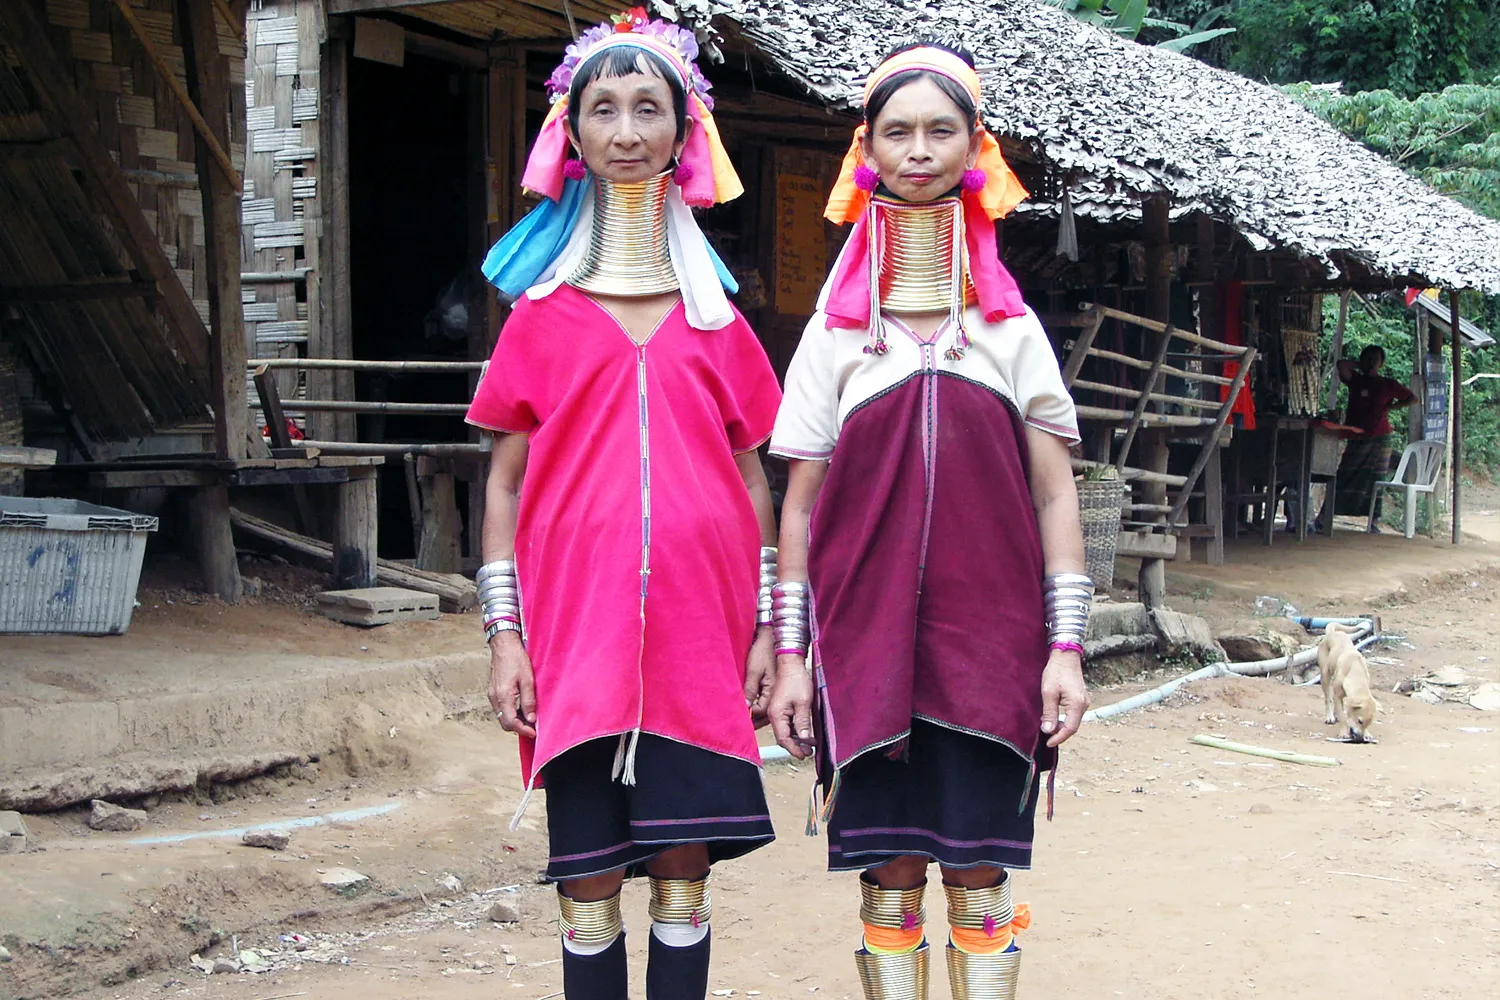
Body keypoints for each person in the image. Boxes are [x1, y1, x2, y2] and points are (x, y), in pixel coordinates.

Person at [464, 10, 782, 1000]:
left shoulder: (715, 319)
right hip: (576, 641)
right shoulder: (542, 316)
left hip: (699, 638)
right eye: (605, 107)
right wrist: (503, 634)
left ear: (685, 135)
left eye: (650, 106)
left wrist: (771, 623)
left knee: (682, 876)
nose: (629, 128)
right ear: (573, 131)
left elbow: (754, 474)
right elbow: (505, 482)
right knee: (588, 878)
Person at [764, 41, 1092, 1000]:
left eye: (940, 130)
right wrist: (792, 656)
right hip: (863, 652)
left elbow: (1054, 493)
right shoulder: (834, 336)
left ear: (973, 148)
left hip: (990, 650)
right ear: (866, 152)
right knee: (890, 880)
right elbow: (801, 504)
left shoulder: (1009, 328)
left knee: (982, 881)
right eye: (897, 132)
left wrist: (1064, 649)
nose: (918, 150)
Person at [1319, 344, 1416, 531]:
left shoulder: (1388, 384)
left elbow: (1412, 398)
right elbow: (1341, 365)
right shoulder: (1356, 380)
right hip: (1357, 435)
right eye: (1368, 357)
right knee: (1344, 474)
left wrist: (1390, 408)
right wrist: (1362, 364)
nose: (1372, 362)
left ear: (1382, 363)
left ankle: (1373, 522)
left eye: (1376, 359)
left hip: (1380, 438)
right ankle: (1324, 516)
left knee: (1376, 479)